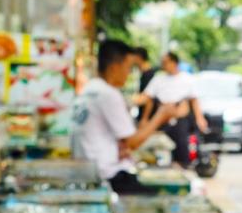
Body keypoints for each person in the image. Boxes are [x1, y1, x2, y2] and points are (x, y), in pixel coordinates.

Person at [71, 39, 178, 193]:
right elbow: (132, 142)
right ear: (114, 68)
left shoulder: (90, 89)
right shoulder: (108, 94)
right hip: (109, 176)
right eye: (128, 68)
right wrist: (161, 115)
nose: (129, 73)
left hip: (90, 171)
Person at [143, 51, 209, 167]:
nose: (163, 65)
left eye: (166, 62)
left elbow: (194, 100)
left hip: (180, 119)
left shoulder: (187, 79)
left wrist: (200, 118)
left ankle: (182, 167)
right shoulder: (159, 78)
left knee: (182, 147)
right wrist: (145, 118)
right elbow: (148, 98)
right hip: (161, 119)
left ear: (174, 63)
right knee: (159, 146)